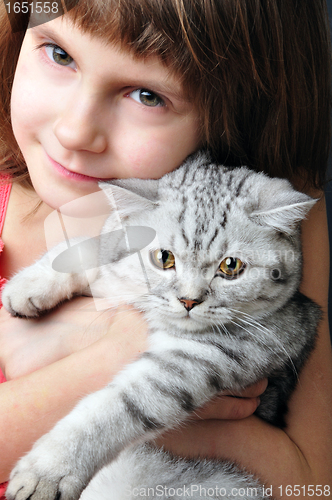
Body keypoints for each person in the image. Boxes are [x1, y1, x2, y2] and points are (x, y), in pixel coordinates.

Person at [0, 0, 331, 499]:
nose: (74, 131)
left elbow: (309, 486)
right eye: (60, 54)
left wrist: (104, 347)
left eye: (146, 95)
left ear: (233, 115)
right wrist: (103, 360)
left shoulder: (271, 219)